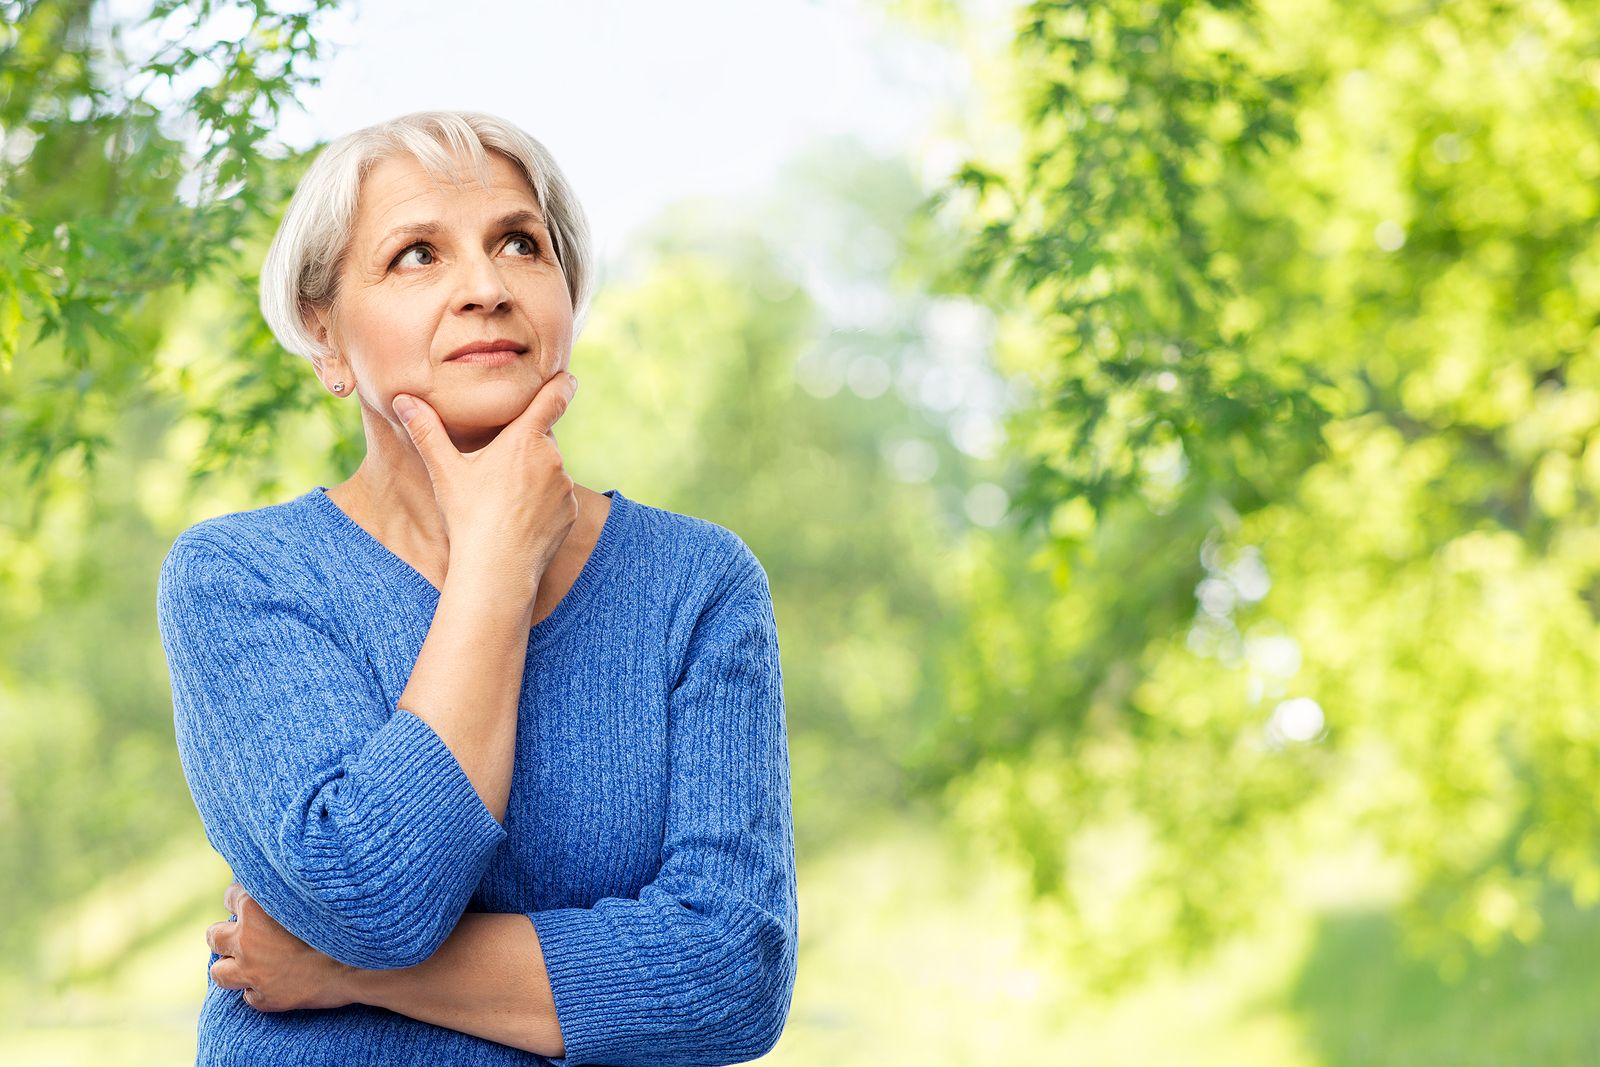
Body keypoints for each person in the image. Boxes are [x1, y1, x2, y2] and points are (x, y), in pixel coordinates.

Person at [155, 110, 798, 1066]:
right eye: (417, 255)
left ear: (567, 298)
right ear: (326, 336)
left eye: (520, 244)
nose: (486, 287)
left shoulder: (696, 584)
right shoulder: (241, 576)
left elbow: (730, 974)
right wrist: (498, 560)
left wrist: (348, 973)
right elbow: (370, 894)